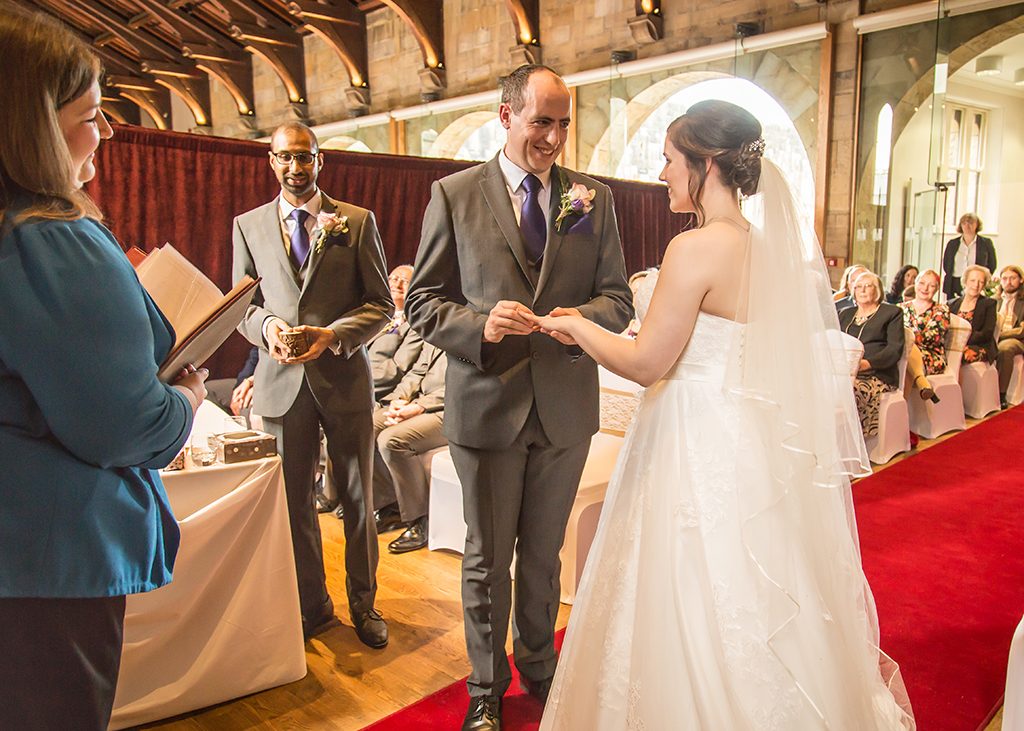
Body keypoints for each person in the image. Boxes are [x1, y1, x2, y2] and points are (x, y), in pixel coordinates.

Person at [531, 100, 914, 730]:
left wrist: (574, 326)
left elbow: (648, 362)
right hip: (742, 433)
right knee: (753, 581)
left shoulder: (693, 247)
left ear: (704, 165)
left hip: (685, 433)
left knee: (680, 582)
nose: (661, 171)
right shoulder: (765, 249)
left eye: (669, 158)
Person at [405, 64, 633, 731]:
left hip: (564, 406)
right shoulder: (453, 195)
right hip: (486, 405)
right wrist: (480, 325)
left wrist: (578, 322)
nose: (555, 137)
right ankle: (484, 684)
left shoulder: (593, 198)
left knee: (541, 553)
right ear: (506, 116)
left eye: (564, 123)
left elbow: (618, 299)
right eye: (543, 121)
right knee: (486, 557)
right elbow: (420, 302)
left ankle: (538, 662)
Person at [0, 8, 207, 729]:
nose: (107, 131)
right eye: (91, 113)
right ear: (33, 126)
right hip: (44, 566)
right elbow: (125, 424)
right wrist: (185, 396)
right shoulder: (49, 238)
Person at [232, 122, 393, 647]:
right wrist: (269, 330)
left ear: (320, 161)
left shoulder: (356, 221)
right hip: (280, 384)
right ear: (270, 161)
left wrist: (333, 335)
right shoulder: (248, 226)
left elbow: (381, 305)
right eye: (285, 158)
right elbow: (241, 308)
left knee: (357, 499)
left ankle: (365, 605)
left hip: (344, 381)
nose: (296, 168)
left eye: (305, 157)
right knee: (294, 503)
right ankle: (312, 605)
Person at [371, 342, 448, 554]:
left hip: (449, 409)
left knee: (392, 440)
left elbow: (467, 382)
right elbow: (417, 371)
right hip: (417, 402)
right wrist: (399, 399)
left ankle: (419, 518)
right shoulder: (436, 325)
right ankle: (389, 506)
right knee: (364, 428)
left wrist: (421, 406)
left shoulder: (473, 326)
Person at [839, 272, 905, 438]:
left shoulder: (891, 313)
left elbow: (894, 349)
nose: (862, 290)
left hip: (876, 374)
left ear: (878, 291)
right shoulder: (845, 313)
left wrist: (867, 364)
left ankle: (854, 440)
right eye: (858, 287)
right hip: (844, 372)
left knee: (848, 391)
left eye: (868, 286)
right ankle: (834, 439)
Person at [899, 270, 950, 376]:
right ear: (915, 284)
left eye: (931, 285)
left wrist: (905, 339)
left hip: (929, 355)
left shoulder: (941, 310)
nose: (925, 288)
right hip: (901, 351)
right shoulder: (900, 308)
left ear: (936, 289)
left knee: (905, 359)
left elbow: (932, 338)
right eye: (922, 283)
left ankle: (914, 390)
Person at [948, 265, 997, 365]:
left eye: (981, 282)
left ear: (984, 285)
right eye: (972, 280)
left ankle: (955, 381)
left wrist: (962, 342)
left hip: (979, 345)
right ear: (965, 281)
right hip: (953, 345)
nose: (976, 285)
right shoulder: (951, 304)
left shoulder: (989, 304)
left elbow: (986, 333)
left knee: (961, 355)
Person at [941, 212, 996, 301]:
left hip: (976, 282)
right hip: (955, 281)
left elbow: (992, 264)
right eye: (964, 223)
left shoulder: (986, 243)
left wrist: (982, 278)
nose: (967, 226)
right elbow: (946, 264)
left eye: (971, 223)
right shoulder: (953, 243)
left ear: (977, 225)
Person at [995, 265, 1024, 407]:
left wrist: (1000, 335)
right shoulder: (994, 301)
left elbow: (1022, 331)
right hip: (993, 337)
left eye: (1013, 278)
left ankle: (1001, 394)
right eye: (1005, 278)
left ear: (1021, 280)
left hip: (1017, 340)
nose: (1008, 282)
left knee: (1005, 348)